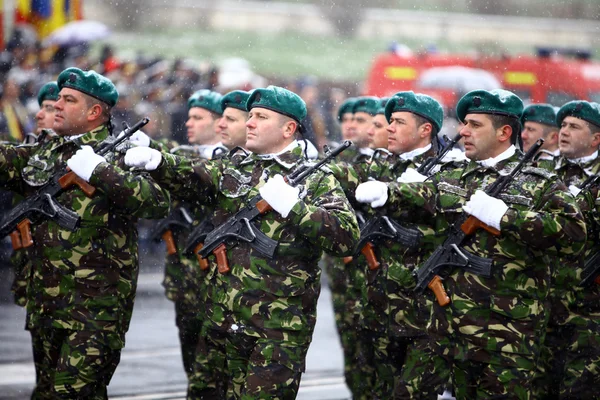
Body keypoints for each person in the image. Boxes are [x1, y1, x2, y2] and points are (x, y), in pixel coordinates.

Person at [124, 85, 360, 399]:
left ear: (288, 128)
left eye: (260, 117)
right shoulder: (239, 167)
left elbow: (346, 236)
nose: (249, 123)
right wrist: (159, 162)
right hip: (223, 321)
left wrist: (294, 207)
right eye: (249, 116)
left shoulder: (315, 178)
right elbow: (198, 175)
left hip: (276, 330)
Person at [356, 89, 586, 399]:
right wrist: (388, 192)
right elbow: (428, 196)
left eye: (475, 125)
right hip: (445, 328)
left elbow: (573, 234)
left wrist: (506, 217)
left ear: (504, 132)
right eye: (464, 123)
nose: (463, 131)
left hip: (506, 334)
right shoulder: (455, 176)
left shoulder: (540, 182)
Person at [0, 67, 170, 399]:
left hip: (94, 309)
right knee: (48, 392)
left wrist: (101, 172)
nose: (56, 105)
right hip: (45, 302)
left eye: (68, 100)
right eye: (57, 99)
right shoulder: (47, 150)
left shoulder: (121, 153)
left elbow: (156, 203)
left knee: (73, 394)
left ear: (94, 112)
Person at [534, 100, 600, 398]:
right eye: (562, 125)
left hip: (589, 307)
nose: (564, 132)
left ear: (596, 138)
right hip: (543, 299)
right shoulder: (542, 169)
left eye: (574, 127)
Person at [520, 103, 560, 171]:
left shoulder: (564, 168)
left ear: (553, 137)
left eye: (530, 130)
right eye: (524, 129)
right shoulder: (520, 163)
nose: (523, 135)